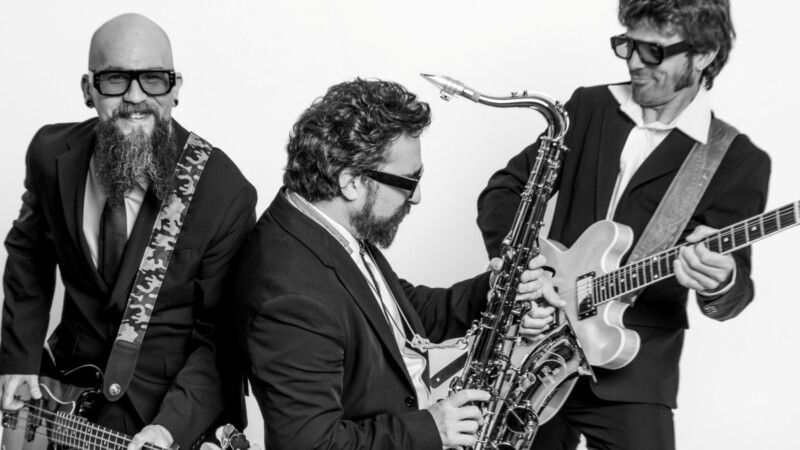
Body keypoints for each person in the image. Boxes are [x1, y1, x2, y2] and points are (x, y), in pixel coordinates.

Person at [476, 0, 770, 448]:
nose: (633, 62)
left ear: (704, 54)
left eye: (653, 51)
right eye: (627, 44)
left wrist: (721, 280)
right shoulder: (589, 107)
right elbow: (505, 190)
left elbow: (735, 291)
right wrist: (527, 273)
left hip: (635, 373)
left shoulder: (737, 160)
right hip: (533, 354)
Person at [228, 78, 564, 450]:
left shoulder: (325, 226)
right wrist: (431, 429)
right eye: (409, 180)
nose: (416, 196)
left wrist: (496, 290)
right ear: (351, 182)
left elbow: (399, 314)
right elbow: (312, 444)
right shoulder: (290, 295)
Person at [0, 13, 256, 450]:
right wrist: (19, 358)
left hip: (168, 417)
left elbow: (222, 341)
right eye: (116, 78)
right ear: (88, 89)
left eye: (153, 79)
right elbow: (29, 252)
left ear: (175, 88)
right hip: (65, 396)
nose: (136, 97)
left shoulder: (224, 192)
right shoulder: (49, 153)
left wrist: (169, 427)